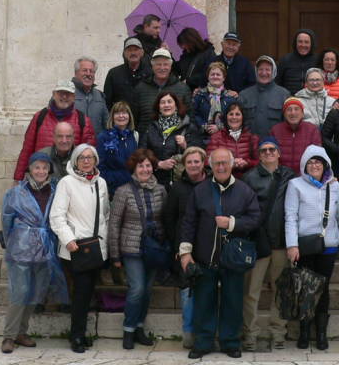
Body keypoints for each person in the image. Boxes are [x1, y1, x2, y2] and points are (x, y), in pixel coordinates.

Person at [179, 146, 262, 359]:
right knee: (204, 302)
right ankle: (203, 342)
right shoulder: (200, 190)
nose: (221, 166)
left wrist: (232, 223)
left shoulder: (245, 191)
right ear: (211, 165)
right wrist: (185, 252)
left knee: (233, 302)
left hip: (233, 260)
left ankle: (230, 342)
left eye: (225, 162)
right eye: (217, 163)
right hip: (205, 257)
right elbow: (188, 222)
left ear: (232, 164)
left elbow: (255, 219)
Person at [0, 151, 62, 353]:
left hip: (44, 247)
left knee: (35, 291)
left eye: (44, 167)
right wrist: (12, 242)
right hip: (21, 246)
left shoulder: (54, 191)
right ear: (29, 170)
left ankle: (21, 332)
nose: (41, 171)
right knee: (20, 291)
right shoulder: (16, 192)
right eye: (37, 167)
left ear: (49, 170)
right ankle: (8, 336)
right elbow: (6, 218)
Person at [284, 145, 339, 350]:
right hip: (305, 245)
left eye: (318, 162)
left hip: (328, 245)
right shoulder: (295, 185)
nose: (314, 165)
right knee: (305, 289)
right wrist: (292, 244)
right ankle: (304, 331)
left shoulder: (334, 186)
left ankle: (321, 333)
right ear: (304, 165)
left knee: (323, 290)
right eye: (310, 162)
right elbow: (291, 216)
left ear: (325, 164)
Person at [49, 144, 109, 353]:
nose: (86, 161)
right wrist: (68, 239)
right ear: (75, 160)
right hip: (76, 248)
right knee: (81, 293)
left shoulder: (101, 183)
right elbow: (57, 215)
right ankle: (76, 336)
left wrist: (105, 242)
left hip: (96, 246)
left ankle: (81, 333)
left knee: (88, 292)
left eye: (90, 157)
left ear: (95, 160)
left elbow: (105, 215)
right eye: (82, 157)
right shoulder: (67, 183)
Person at [107, 148, 167, 349]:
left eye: (148, 165)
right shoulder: (123, 191)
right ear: (134, 167)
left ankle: (140, 327)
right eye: (141, 165)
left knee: (147, 290)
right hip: (131, 248)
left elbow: (165, 219)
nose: (145, 169)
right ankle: (129, 329)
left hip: (154, 248)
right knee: (137, 289)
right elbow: (114, 224)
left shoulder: (161, 190)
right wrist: (114, 255)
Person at [242, 137, 294, 351]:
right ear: (259, 155)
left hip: (282, 242)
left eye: (273, 149)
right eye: (264, 150)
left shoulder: (289, 176)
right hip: (258, 243)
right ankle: (250, 334)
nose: (269, 153)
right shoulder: (249, 178)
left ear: (279, 153)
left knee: (281, 291)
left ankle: (278, 332)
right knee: (251, 292)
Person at [163, 146, 208, 350]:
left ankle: (206, 331)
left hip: (208, 247)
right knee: (187, 292)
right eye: (189, 162)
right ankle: (189, 333)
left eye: (196, 161)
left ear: (203, 163)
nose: (193, 165)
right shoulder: (178, 189)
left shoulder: (212, 184)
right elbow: (169, 219)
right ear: (184, 165)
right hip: (184, 249)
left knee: (207, 291)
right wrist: (177, 246)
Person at [12, 80, 96, 182]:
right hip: (42, 180)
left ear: (74, 97)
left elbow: (88, 155)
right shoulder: (40, 117)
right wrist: (18, 178)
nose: (64, 97)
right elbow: (27, 149)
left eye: (68, 94)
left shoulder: (83, 120)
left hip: (71, 181)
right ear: (54, 95)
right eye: (61, 93)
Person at [143, 90, 203, 188]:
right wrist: (158, 164)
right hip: (154, 182)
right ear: (158, 107)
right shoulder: (150, 127)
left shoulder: (188, 127)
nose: (166, 105)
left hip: (181, 182)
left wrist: (186, 146)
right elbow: (142, 151)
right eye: (162, 102)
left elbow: (201, 153)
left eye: (169, 102)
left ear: (176, 106)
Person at [133, 47, 190, 136]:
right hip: (146, 140)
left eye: (165, 64)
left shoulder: (183, 88)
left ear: (171, 66)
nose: (162, 68)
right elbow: (134, 117)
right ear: (152, 66)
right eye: (158, 64)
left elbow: (190, 117)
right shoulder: (140, 88)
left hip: (174, 140)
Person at [238, 55, 290, 138]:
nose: (264, 73)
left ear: (273, 72)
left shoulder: (284, 95)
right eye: (261, 69)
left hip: (274, 146)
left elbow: (288, 125)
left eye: (267, 70)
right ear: (256, 71)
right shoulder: (244, 95)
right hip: (249, 145)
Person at [271, 96, 322, 176]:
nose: (293, 113)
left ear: (302, 114)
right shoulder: (275, 130)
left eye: (296, 109)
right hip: (281, 177)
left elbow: (318, 155)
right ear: (284, 114)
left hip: (306, 176)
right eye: (289, 109)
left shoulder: (312, 129)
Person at [97, 102, 138, 195]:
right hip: (112, 189)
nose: (121, 116)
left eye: (124, 113)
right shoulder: (103, 137)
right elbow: (100, 167)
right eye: (117, 113)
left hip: (132, 188)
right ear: (112, 116)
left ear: (129, 116)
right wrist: (118, 178)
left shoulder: (133, 136)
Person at [207, 100, 258, 173]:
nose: (234, 117)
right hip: (223, 177)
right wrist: (229, 163)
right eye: (231, 114)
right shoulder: (216, 137)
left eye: (237, 114)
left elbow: (259, 161)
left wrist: (247, 163)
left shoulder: (252, 137)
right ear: (226, 117)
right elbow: (207, 161)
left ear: (243, 117)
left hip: (247, 178)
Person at [103, 38, 151, 109]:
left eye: (136, 49)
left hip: (144, 118)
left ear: (142, 53)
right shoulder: (114, 73)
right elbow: (107, 101)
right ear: (124, 53)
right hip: (122, 117)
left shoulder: (150, 73)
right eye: (129, 50)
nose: (133, 53)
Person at [192, 61, 234, 143]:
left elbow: (233, 118)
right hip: (202, 138)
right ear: (208, 77)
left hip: (224, 138)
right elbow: (193, 114)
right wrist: (204, 126)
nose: (215, 76)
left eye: (218, 74)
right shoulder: (199, 95)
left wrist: (219, 127)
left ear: (224, 77)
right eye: (212, 74)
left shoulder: (230, 98)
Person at [276, 29, 318, 95]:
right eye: (300, 41)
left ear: (311, 44)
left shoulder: (318, 61)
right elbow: (277, 83)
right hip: (289, 99)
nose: (303, 45)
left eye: (306, 42)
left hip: (311, 100)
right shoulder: (285, 60)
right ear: (295, 43)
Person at [72, 56, 107, 133]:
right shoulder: (65, 94)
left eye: (91, 71)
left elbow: (106, 124)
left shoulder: (100, 96)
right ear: (76, 73)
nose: (88, 74)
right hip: (73, 144)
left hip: (96, 144)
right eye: (85, 70)